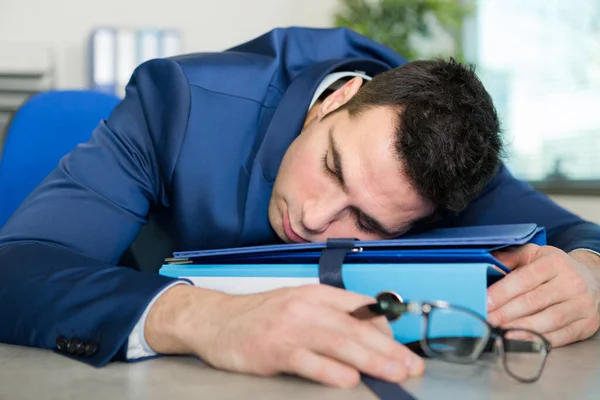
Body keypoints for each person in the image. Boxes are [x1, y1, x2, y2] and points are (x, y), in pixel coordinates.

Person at [0, 27, 599, 389]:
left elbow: (581, 235)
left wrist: (590, 275)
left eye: (366, 222)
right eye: (332, 165)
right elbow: (18, 266)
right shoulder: (176, 104)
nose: (313, 220)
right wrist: (209, 319)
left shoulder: (444, 168)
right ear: (336, 100)